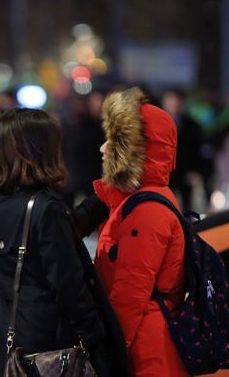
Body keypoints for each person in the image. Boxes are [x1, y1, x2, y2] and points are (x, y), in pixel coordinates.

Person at [0, 108, 126, 377]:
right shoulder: (45, 207)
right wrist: (98, 339)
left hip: (12, 341)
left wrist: (103, 195)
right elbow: (69, 286)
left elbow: (61, 232)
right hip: (49, 349)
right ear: (39, 150)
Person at [93, 87, 189, 376]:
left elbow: (130, 293)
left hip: (146, 355)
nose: (103, 148)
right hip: (145, 345)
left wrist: (108, 354)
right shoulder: (141, 200)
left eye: (113, 141)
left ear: (135, 151)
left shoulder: (147, 209)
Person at [161, 89, 205, 211]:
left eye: (177, 101)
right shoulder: (155, 124)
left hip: (185, 173)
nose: (174, 104)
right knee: (164, 206)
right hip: (163, 173)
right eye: (170, 100)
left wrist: (196, 170)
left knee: (187, 208)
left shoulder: (193, 126)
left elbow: (198, 150)